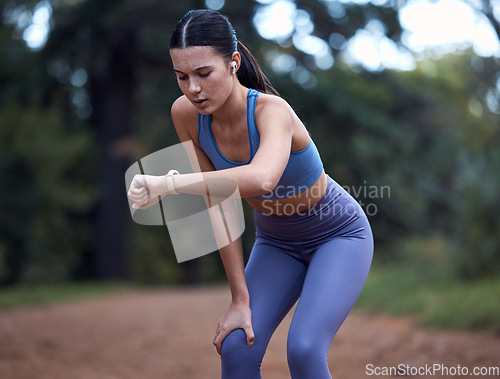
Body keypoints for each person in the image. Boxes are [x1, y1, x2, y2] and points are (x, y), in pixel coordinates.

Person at [127, 9, 373, 379]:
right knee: (237, 346)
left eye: (203, 73)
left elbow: (261, 180)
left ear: (233, 63)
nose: (193, 88)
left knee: (304, 350)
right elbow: (218, 200)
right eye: (182, 76)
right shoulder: (186, 115)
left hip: (338, 235)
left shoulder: (273, 112)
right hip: (277, 242)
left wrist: (170, 184)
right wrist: (239, 299)